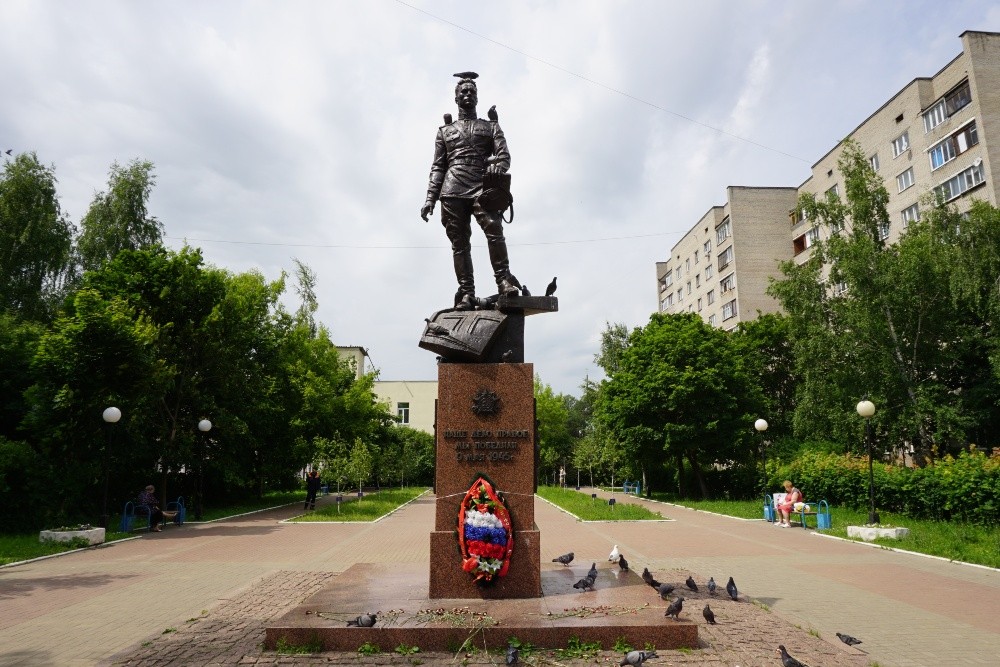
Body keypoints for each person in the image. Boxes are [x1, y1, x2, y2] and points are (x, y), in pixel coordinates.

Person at [420, 71, 520, 310]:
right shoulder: (444, 132)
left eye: (471, 91)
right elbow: (438, 166)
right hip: (452, 188)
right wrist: (430, 198)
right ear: (456, 98)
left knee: (494, 229)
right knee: (460, 243)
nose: (467, 94)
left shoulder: (490, 127)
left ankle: (504, 280)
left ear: (477, 97)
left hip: (481, 187)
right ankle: (466, 293)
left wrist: (496, 165)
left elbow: (504, 157)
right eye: (463, 91)